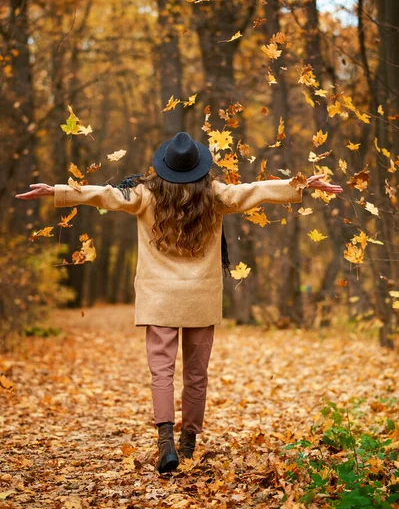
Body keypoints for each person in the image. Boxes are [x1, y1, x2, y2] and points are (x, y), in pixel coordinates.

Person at [15, 131, 343, 473]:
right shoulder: (214, 195)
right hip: (200, 296)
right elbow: (254, 191)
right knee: (196, 374)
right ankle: (188, 445)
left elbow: (107, 196)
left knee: (161, 372)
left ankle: (165, 443)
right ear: (199, 168)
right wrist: (300, 184)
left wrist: (59, 191)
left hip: (158, 298)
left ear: (164, 167)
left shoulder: (145, 195)